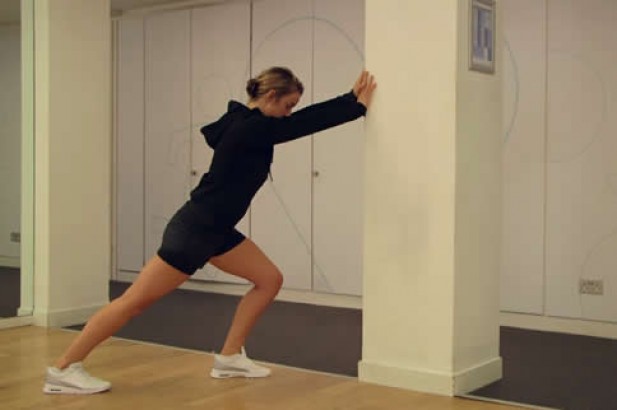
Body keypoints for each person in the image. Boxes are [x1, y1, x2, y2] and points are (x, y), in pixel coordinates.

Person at [43, 67, 377, 394]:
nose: (289, 113)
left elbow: (298, 119)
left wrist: (349, 99)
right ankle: (64, 368)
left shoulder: (243, 120)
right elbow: (304, 124)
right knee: (134, 302)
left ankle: (229, 357)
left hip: (217, 231)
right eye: (288, 105)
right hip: (195, 231)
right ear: (271, 96)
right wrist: (354, 106)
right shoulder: (250, 128)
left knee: (268, 279)